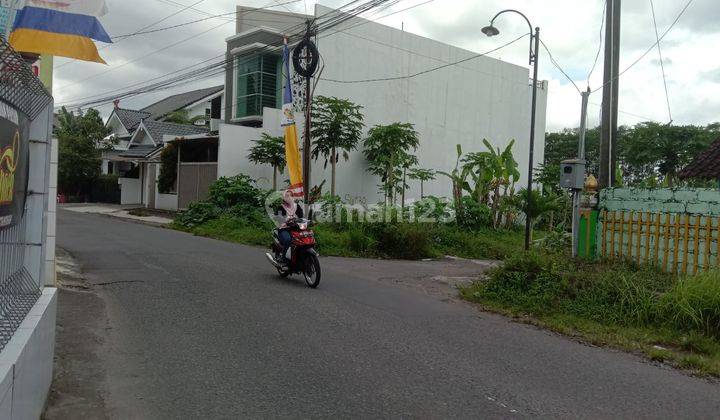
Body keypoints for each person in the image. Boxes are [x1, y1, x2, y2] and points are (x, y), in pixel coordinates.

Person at [276, 189, 303, 264]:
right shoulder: (281, 207)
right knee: (288, 240)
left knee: (305, 238)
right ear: (284, 197)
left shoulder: (297, 206)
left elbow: (301, 217)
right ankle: (283, 257)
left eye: (291, 195)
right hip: (284, 229)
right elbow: (278, 218)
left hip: (296, 228)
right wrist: (286, 220)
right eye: (287, 196)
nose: (289, 197)